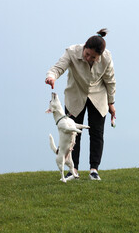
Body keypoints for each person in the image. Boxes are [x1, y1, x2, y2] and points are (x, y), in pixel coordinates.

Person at [45, 28, 116, 181]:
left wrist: (111, 103)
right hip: (75, 95)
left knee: (97, 133)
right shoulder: (72, 51)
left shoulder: (107, 58)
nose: (89, 58)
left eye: (93, 57)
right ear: (84, 47)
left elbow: (110, 81)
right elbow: (58, 68)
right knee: (71, 133)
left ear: (100, 56)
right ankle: (73, 169)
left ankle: (94, 170)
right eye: (87, 54)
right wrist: (51, 77)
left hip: (98, 96)